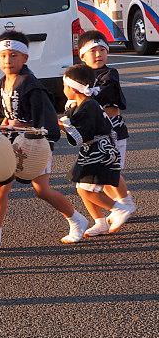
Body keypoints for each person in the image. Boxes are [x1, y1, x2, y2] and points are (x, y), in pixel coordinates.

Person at [0, 31, 88, 249]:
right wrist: (2, 126)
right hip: (13, 142)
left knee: (41, 189)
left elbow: (46, 120)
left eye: (13, 55)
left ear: (25, 58)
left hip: (36, 144)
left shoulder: (32, 86)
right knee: (1, 185)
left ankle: (77, 219)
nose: (8, 60)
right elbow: (9, 115)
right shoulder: (2, 84)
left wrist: (20, 126)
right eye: (3, 55)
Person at [59, 64, 132, 241]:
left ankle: (120, 208)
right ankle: (100, 221)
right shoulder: (79, 104)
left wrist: (65, 126)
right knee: (81, 187)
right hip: (92, 151)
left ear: (72, 88)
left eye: (64, 86)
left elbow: (80, 137)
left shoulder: (89, 106)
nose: (63, 90)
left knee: (86, 190)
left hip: (100, 152)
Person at [76, 31, 137, 235]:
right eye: (93, 51)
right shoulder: (79, 76)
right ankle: (101, 220)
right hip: (92, 135)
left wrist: (81, 94)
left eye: (102, 49)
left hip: (113, 131)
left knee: (110, 172)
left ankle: (124, 205)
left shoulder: (109, 74)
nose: (98, 54)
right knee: (91, 180)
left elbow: (102, 94)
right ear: (82, 55)